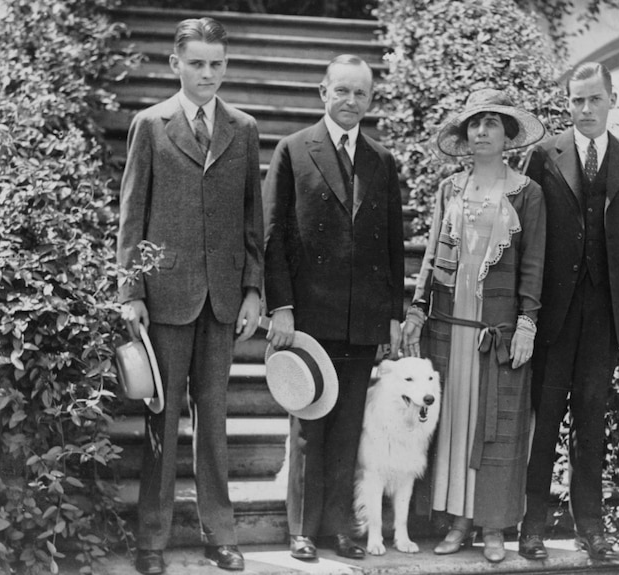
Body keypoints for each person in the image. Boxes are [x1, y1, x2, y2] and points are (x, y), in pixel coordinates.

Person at [117, 17, 263, 575]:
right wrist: (131, 290)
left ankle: (219, 532)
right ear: (175, 63)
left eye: (217, 63)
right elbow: (132, 216)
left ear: (226, 65)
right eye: (197, 62)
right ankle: (151, 540)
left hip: (223, 297)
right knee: (162, 416)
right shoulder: (150, 125)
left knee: (215, 420)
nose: (207, 73)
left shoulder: (244, 128)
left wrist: (253, 289)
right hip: (167, 293)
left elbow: (253, 218)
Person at [262, 54, 404, 561]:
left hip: (362, 318)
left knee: (347, 426)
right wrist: (280, 307)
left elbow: (392, 241)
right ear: (323, 92)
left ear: (370, 100)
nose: (349, 101)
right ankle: (302, 528)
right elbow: (273, 235)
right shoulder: (293, 150)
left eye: (359, 94)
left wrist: (393, 312)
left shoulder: (381, 161)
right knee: (308, 427)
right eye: (341, 91)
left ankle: (341, 527)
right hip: (309, 317)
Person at [402, 88, 546, 563]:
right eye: (474, 124)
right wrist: (417, 308)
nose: (481, 131)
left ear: (508, 135)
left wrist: (526, 322)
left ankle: (493, 527)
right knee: (456, 425)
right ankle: (457, 523)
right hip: (451, 327)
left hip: (496, 333)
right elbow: (429, 258)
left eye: (492, 123)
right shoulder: (450, 189)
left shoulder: (527, 193)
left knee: (497, 429)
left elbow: (533, 265)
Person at [518, 61, 619, 561]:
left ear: (612, 98)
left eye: (594, 99)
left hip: (603, 315)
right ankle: (532, 526)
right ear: (567, 103)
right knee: (544, 421)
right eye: (576, 100)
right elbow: (529, 233)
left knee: (591, 423)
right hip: (554, 313)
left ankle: (590, 528)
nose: (585, 109)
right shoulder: (543, 155)